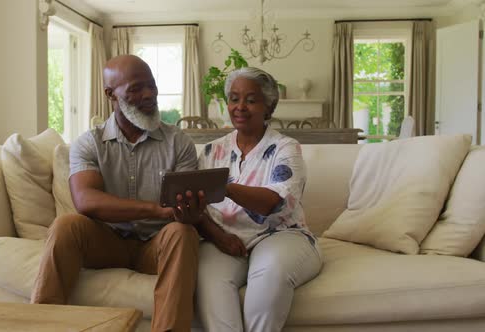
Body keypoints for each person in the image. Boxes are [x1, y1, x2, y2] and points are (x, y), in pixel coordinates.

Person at [31, 55, 205, 332]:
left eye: (151, 86)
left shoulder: (178, 142)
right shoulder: (90, 143)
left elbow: (184, 207)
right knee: (66, 225)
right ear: (110, 94)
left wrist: (191, 213)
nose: (148, 95)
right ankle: (43, 326)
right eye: (136, 88)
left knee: (183, 233)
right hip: (106, 241)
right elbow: (86, 201)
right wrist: (154, 209)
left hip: (156, 245)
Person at [194, 67, 323, 332]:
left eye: (251, 100)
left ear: (268, 106)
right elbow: (199, 210)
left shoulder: (286, 147)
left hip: (280, 235)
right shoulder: (210, 151)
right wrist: (218, 236)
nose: (240, 106)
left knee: (270, 274)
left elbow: (273, 202)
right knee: (209, 282)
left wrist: (224, 187)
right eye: (233, 98)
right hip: (223, 238)